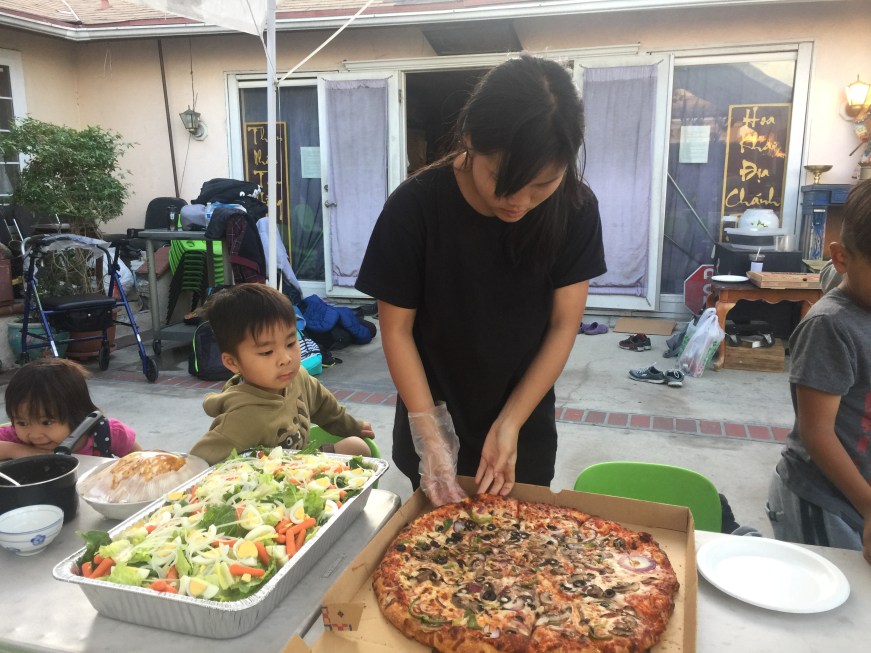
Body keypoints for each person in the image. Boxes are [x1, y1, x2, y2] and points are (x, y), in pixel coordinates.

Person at [356, 55, 606, 503]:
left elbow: (562, 325)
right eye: (503, 180)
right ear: (470, 139)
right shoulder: (415, 207)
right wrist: (430, 436)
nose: (520, 202)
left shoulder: (575, 208)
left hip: (524, 423)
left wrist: (510, 423)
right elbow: (397, 330)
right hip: (430, 411)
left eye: (542, 184)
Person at [766, 178, 871, 565]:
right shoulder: (831, 326)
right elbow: (817, 432)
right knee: (829, 590)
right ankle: (741, 538)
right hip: (822, 501)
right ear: (841, 258)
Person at [189, 283, 373, 465]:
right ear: (233, 362)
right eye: (267, 352)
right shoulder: (242, 418)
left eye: (291, 343)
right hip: (269, 481)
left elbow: (325, 407)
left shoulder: (298, 377)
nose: (286, 359)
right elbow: (198, 463)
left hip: (303, 465)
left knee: (357, 447)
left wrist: (353, 426)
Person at [0, 358, 140, 459]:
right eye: (22, 423)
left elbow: (140, 459)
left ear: (77, 414)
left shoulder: (107, 433)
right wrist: (15, 450)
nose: (35, 435)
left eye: (46, 422)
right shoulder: (15, 437)